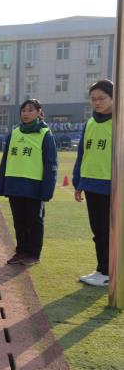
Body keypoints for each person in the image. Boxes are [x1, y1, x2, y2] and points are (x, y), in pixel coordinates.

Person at [0, 99, 57, 266]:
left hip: (34, 186)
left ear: (39, 112)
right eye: (23, 110)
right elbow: (6, 160)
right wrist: (2, 184)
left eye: (30, 110)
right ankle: (21, 251)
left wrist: (48, 189)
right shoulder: (14, 132)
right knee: (19, 221)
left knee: (34, 222)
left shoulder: (45, 134)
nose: (26, 113)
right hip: (14, 184)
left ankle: (33, 254)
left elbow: (51, 163)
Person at [73, 79, 115, 287]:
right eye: (93, 99)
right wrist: (78, 182)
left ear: (114, 98)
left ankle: (109, 272)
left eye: (102, 98)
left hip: (111, 185)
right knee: (98, 230)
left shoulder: (118, 123)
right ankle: (101, 269)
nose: (97, 102)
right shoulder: (89, 123)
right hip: (91, 183)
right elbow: (82, 154)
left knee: (109, 231)